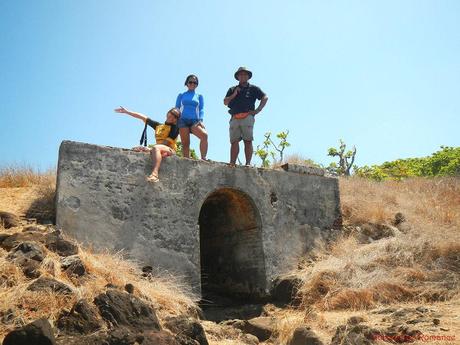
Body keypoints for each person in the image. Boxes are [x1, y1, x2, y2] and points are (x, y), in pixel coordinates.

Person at [114, 106, 181, 183]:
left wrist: (149, 149)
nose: (172, 116)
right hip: (158, 150)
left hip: (169, 150)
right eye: (172, 113)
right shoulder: (159, 126)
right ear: (168, 113)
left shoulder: (175, 128)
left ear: (176, 120)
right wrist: (127, 112)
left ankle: (155, 175)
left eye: (175, 116)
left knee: (155, 148)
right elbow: (143, 117)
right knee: (138, 148)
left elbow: (166, 143)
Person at [224, 67, 268, 166]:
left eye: (245, 74)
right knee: (234, 141)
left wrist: (257, 110)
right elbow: (225, 102)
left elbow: (265, 97)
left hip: (247, 116)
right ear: (238, 77)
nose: (243, 76)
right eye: (240, 74)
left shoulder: (253, 88)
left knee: (248, 140)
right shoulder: (232, 89)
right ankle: (232, 163)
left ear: (248, 76)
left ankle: (248, 163)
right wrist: (234, 94)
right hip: (234, 117)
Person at [175, 74, 208, 160]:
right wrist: (174, 120)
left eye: (195, 82)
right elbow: (176, 108)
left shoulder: (199, 96)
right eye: (190, 82)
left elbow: (201, 109)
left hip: (194, 121)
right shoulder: (181, 95)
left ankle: (203, 158)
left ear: (197, 84)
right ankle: (186, 160)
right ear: (187, 83)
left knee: (204, 135)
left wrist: (200, 120)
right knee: (186, 143)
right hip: (182, 120)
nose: (192, 84)